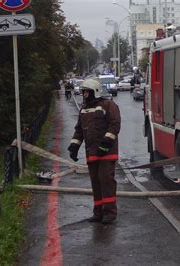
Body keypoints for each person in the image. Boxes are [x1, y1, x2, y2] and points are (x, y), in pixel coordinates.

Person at [67, 78, 121, 224]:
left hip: (107, 152)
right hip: (92, 153)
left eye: (86, 92)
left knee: (106, 181)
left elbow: (114, 125)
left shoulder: (108, 105)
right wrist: (74, 146)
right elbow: (79, 130)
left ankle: (109, 212)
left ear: (95, 92)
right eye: (83, 92)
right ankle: (98, 212)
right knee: (96, 183)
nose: (84, 94)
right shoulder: (84, 109)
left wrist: (106, 143)